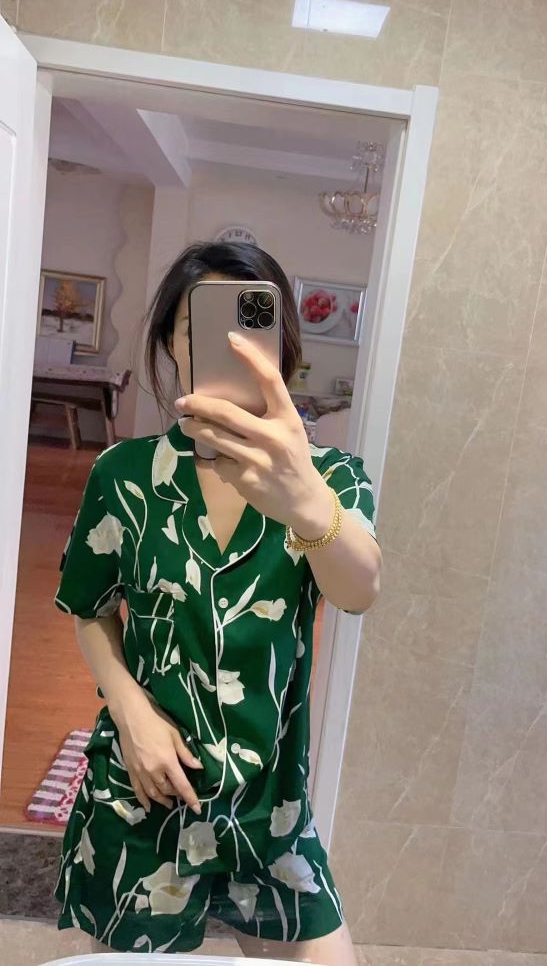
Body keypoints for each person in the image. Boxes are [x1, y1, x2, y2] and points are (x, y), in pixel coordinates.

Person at [54, 242, 382, 964]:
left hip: (271, 807)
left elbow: (359, 590)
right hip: (145, 791)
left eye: (250, 327)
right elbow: (88, 606)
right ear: (171, 345)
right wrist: (132, 714)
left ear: (281, 345)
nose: (229, 348)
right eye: (200, 328)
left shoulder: (330, 479)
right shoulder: (124, 474)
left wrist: (304, 499)